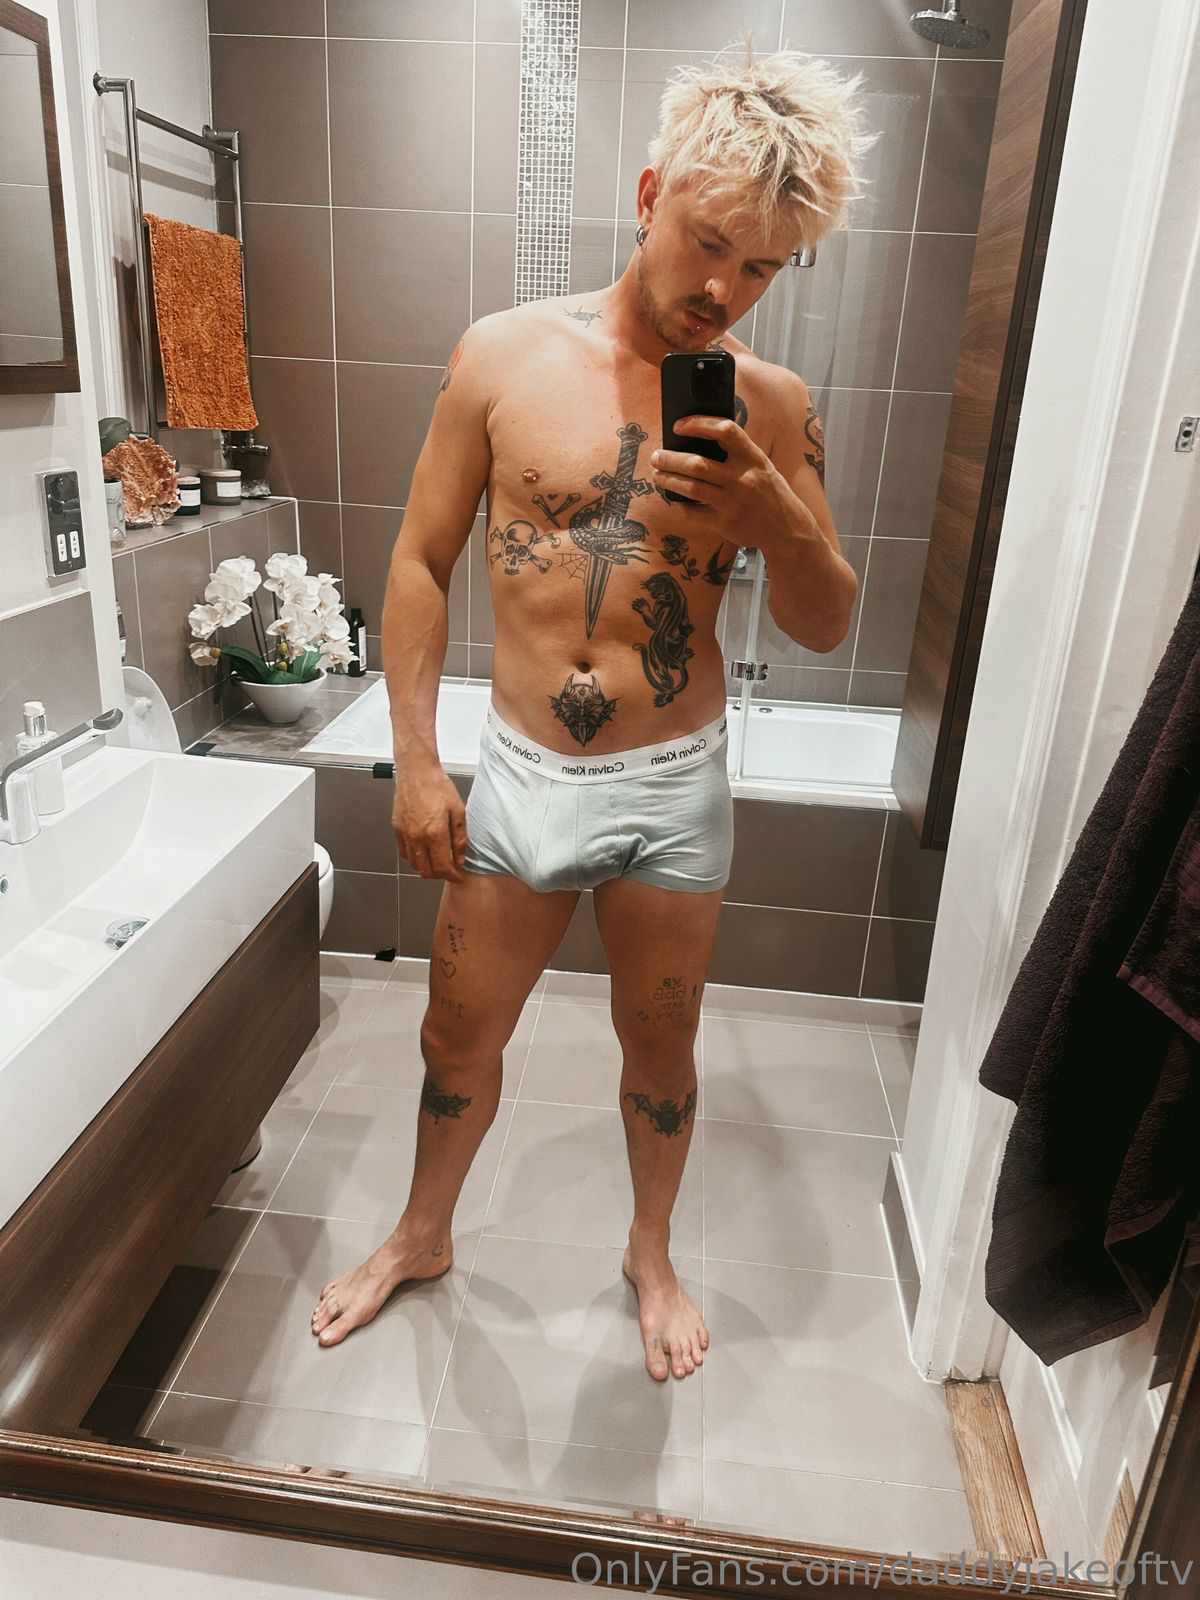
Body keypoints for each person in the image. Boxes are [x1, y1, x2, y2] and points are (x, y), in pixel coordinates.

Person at [311, 43, 874, 1380]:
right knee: (457, 1031)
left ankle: (651, 1254)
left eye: (762, 268)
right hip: (519, 773)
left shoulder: (774, 407)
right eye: (709, 244)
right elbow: (417, 561)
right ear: (648, 196)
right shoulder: (504, 354)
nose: (723, 291)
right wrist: (416, 762)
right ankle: (423, 1233)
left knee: (660, 1046)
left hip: (673, 783)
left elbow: (828, 620)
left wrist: (776, 515)